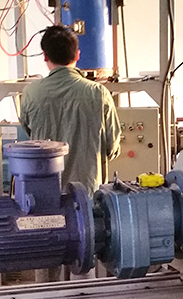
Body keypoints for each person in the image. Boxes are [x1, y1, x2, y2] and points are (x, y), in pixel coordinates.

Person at [19, 25, 121, 194]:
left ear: (45, 56)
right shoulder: (98, 93)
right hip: (87, 197)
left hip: (45, 195)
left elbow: (29, 134)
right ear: (78, 55)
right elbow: (112, 147)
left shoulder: (31, 93)